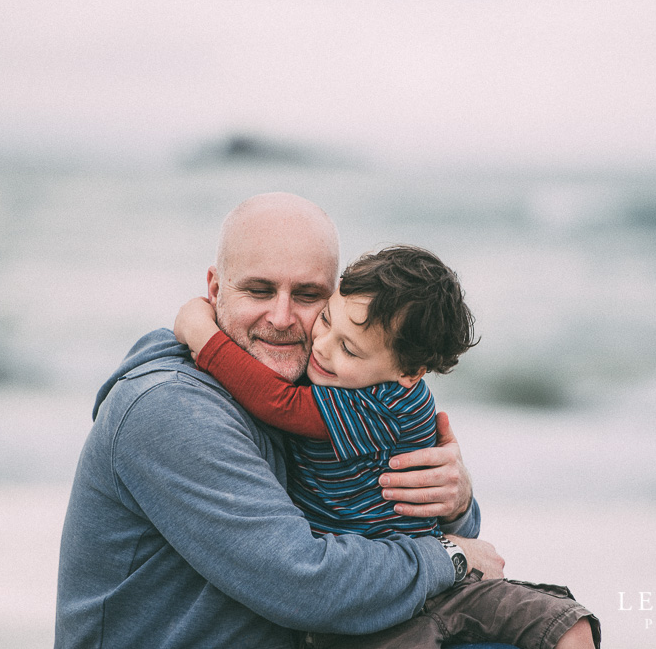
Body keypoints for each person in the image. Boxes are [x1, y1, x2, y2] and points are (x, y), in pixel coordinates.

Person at [55, 192, 506, 649]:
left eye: (308, 296)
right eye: (259, 290)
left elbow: (435, 530)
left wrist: (454, 502)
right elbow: (306, 583)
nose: (283, 317)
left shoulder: (328, 389)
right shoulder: (170, 407)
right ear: (214, 290)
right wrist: (446, 557)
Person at [174, 245, 601, 649]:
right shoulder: (356, 371)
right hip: (383, 590)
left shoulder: (380, 404)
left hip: (411, 582)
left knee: (568, 624)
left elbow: (277, 402)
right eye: (326, 319)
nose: (321, 348)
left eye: (348, 349)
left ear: (409, 372)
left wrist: (202, 334)